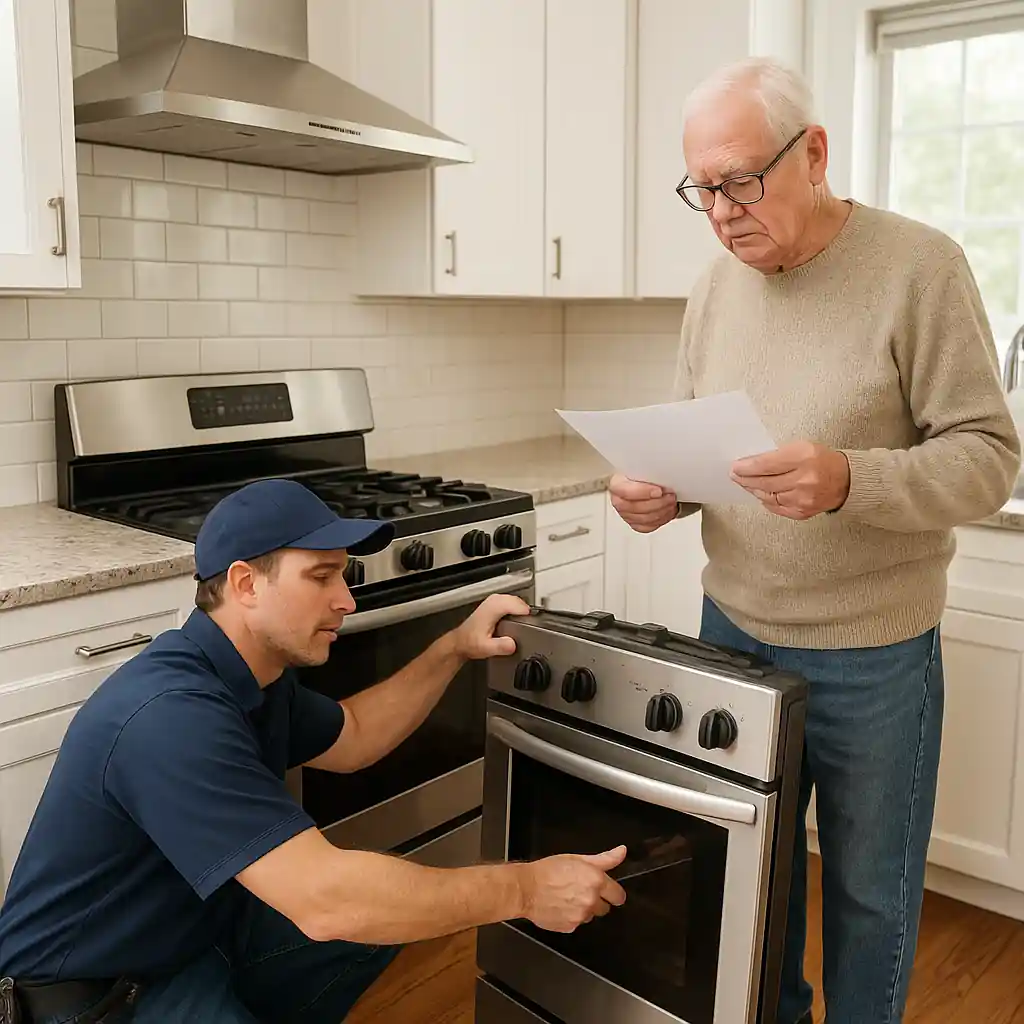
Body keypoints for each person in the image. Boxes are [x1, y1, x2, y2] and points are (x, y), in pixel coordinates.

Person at [609, 57, 1021, 1024]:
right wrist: (658, 495)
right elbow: (698, 439)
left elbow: (991, 459)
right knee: (756, 874)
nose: (720, 211)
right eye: (701, 189)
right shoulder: (713, 287)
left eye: (740, 181)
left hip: (873, 652)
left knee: (869, 893)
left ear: (815, 155)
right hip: (732, 629)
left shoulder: (921, 267)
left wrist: (852, 478)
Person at [0, 478, 628, 1024]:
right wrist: (522, 891)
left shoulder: (253, 675)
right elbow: (329, 902)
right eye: (322, 576)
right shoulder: (171, 716)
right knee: (352, 906)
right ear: (246, 584)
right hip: (94, 997)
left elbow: (353, 736)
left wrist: (453, 649)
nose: (347, 601)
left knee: (378, 916)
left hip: (186, 936)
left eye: (344, 576)